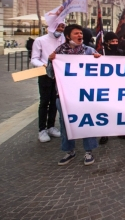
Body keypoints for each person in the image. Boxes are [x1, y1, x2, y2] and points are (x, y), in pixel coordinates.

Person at [49, 24, 102, 165]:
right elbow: (50, 74)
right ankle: (69, 151)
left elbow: (101, 73)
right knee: (66, 123)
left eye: (81, 33)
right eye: (76, 33)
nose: (80, 36)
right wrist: (50, 61)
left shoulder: (89, 51)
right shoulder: (59, 52)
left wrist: (99, 60)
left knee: (87, 120)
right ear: (67, 36)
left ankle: (88, 151)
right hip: (64, 95)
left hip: (85, 94)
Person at [31, 22, 65, 143]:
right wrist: (44, 64)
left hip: (59, 75)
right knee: (44, 101)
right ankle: (42, 129)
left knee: (54, 101)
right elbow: (34, 59)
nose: (60, 29)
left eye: (62, 27)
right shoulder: (40, 40)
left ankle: (51, 126)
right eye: (58, 26)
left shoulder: (64, 40)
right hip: (45, 74)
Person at [98, 32, 125, 144]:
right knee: (106, 109)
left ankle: (121, 131)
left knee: (119, 109)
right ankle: (105, 133)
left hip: (119, 85)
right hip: (106, 85)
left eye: (116, 41)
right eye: (112, 41)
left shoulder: (121, 53)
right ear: (107, 42)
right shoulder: (101, 53)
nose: (115, 43)